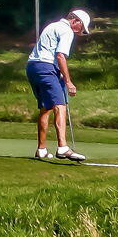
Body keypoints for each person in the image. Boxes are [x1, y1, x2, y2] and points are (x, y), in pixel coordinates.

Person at [28, 9, 91, 161]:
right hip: (46, 68)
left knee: (45, 107)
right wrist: (69, 82)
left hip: (32, 67)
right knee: (60, 105)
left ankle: (41, 149)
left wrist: (59, 71)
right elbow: (60, 55)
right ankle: (62, 147)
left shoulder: (52, 25)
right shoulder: (66, 30)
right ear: (75, 21)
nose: (79, 32)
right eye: (80, 28)